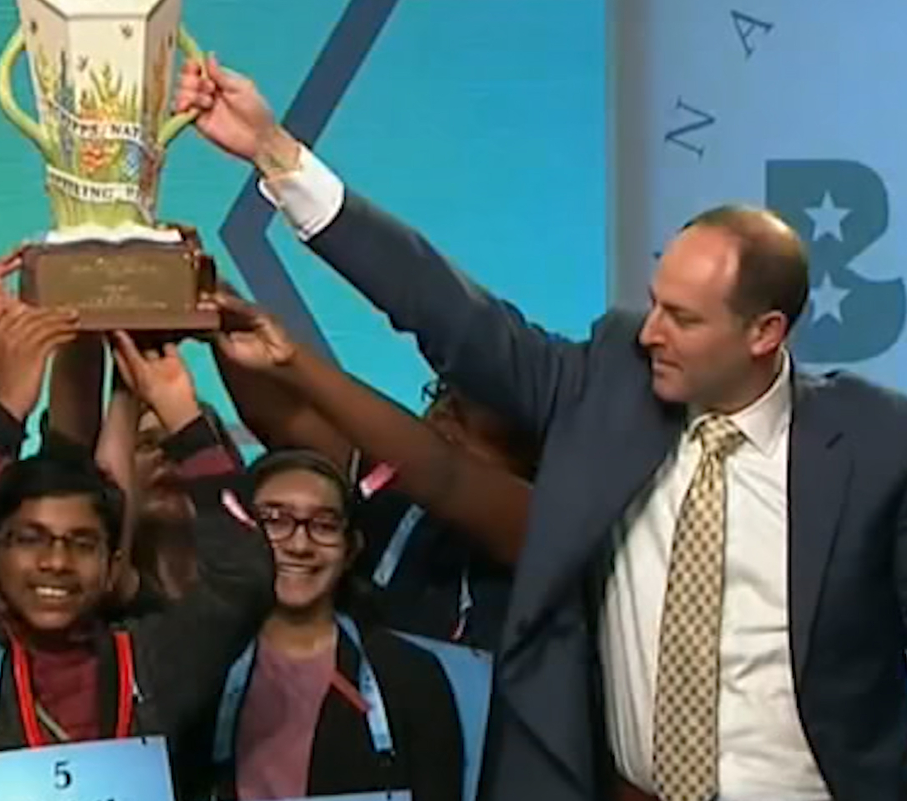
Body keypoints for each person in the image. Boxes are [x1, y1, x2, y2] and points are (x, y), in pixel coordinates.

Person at [177, 55, 907, 801]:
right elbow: (449, 312)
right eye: (655, 302)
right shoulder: (612, 387)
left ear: (765, 333)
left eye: (683, 319)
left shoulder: (877, 444)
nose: (650, 331)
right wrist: (274, 152)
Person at [0, 301, 276, 801]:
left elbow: (245, 575)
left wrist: (182, 415)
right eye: (30, 539)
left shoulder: (154, 661)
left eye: (83, 544)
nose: (56, 563)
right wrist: (5, 414)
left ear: (113, 567)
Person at [210, 290, 535, 648]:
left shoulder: (536, 529)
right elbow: (281, 420)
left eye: (461, 420)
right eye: (442, 397)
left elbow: (443, 471)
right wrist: (217, 307)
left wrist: (290, 358)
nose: (440, 418)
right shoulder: (396, 503)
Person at [199, 448, 464, 801]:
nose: (299, 545)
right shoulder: (200, 666)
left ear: (350, 549)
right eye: (275, 520)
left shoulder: (408, 674)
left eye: (324, 525)